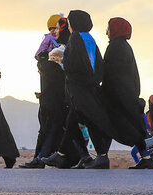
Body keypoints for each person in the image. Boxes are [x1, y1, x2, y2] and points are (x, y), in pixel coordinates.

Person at [43, 9, 114, 169]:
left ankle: (101, 157)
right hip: (88, 88)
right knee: (72, 122)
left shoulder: (76, 38)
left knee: (86, 121)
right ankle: (62, 155)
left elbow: (78, 64)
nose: (68, 27)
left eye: (69, 23)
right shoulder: (90, 38)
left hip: (79, 89)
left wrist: (62, 63)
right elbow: (97, 65)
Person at [101, 17, 153, 169]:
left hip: (119, 96)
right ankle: (145, 157)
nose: (106, 32)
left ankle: (101, 157)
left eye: (109, 29)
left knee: (120, 125)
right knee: (124, 125)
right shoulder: (124, 46)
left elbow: (110, 73)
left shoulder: (115, 47)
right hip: (126, 94)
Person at [21, 45, 67, 168]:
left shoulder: (46, 69)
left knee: (45, 133)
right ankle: (41, 158)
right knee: (53, 133)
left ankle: (39, 158)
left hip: (45, 106)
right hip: (56, 107)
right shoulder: (60, 71)